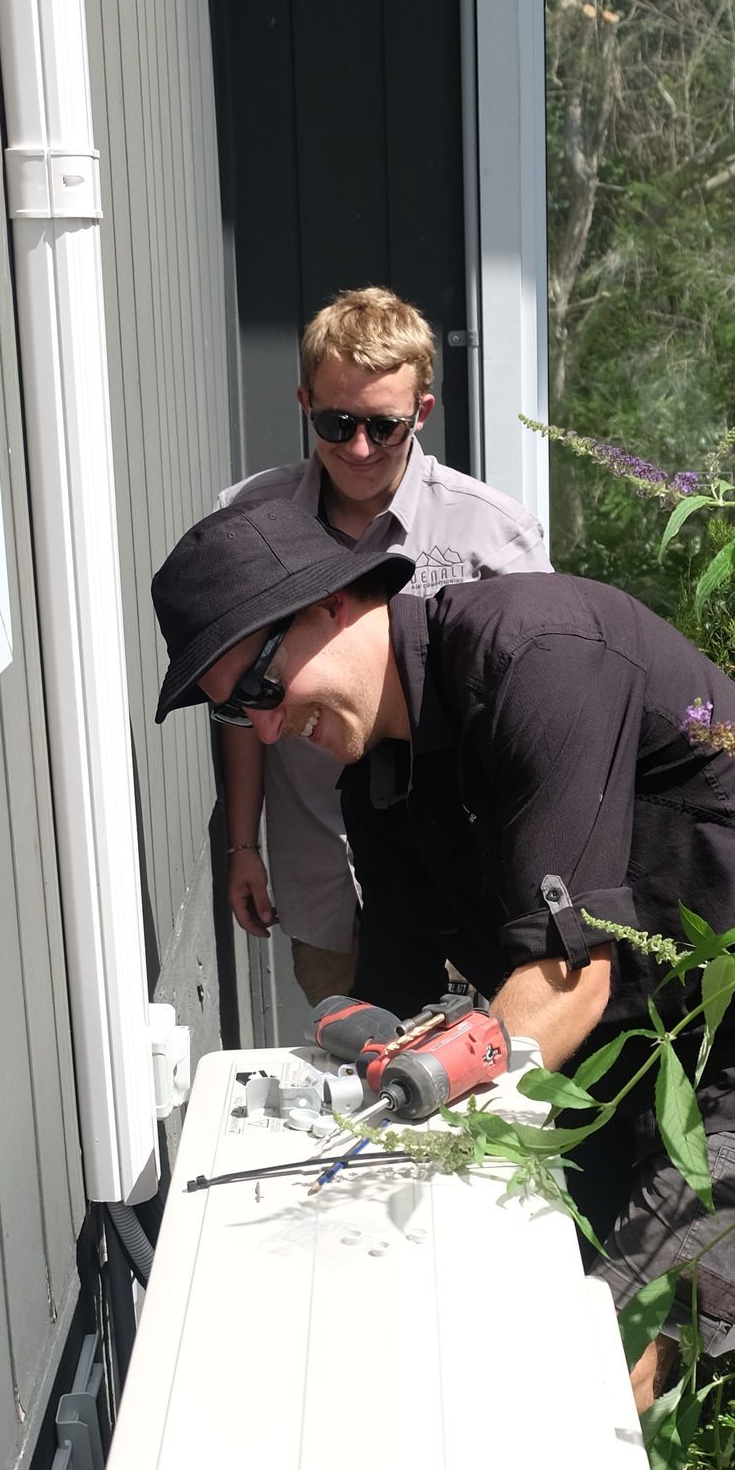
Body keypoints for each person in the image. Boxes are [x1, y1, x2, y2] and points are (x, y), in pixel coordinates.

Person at [151, 490, 735, 1410]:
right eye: (237, 715)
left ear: (334, 604)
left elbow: (568, 978)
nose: (266, 729)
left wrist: (428, 1115)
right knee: (518, 1307)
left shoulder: (538, 657)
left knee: (601, 1373)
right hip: (633, 1058)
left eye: (262, 688)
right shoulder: (379, 781)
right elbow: (398, 995)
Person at [215, 286, 547, 1003]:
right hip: (323, 872)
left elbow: (537, 724)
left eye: (384, 426)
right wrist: (243, 845)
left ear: (421, 413)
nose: (359, 448)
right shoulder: (251, 525)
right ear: (304, 402)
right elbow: (240, 701)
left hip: (465, 882)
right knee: (355, 1079)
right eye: (336, 424)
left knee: (474, 1086)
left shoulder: (493, 535)